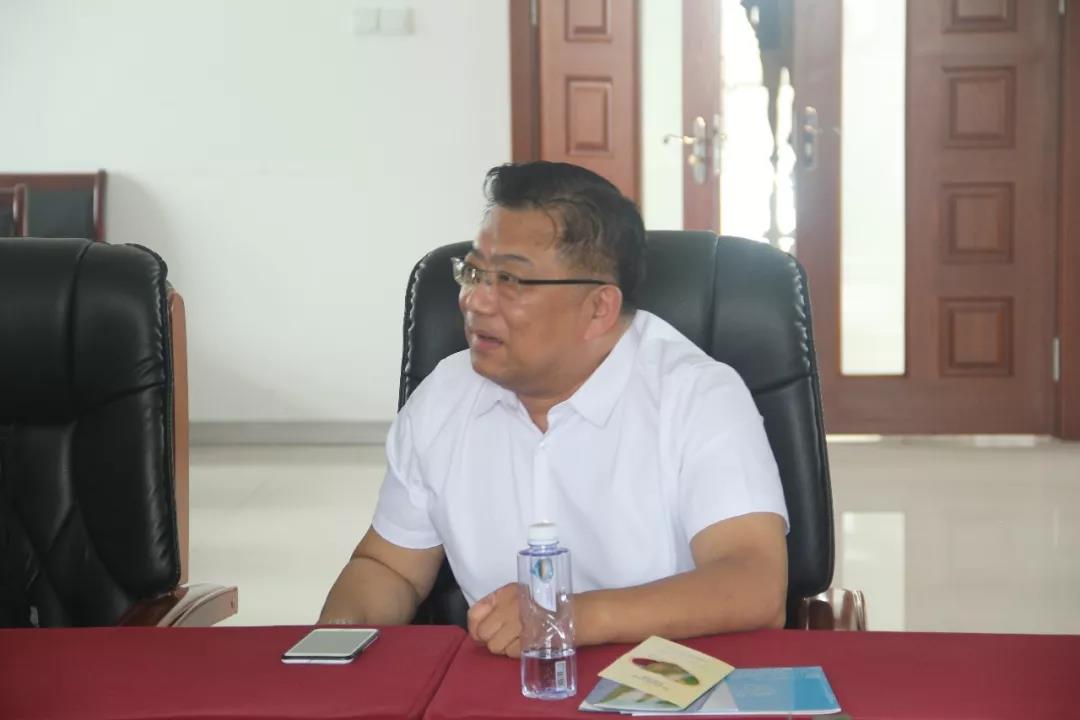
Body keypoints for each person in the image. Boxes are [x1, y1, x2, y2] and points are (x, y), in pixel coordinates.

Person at [319, 161, 789, 656]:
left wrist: (571, 616)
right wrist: (333, 648)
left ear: (599, 308)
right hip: (504, 683)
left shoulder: (696, 395)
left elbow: (753, 583)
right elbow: (388, 568)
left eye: (509, 279)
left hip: (668, 679)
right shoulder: (445, 395)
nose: (475, 301)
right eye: (474, 272)